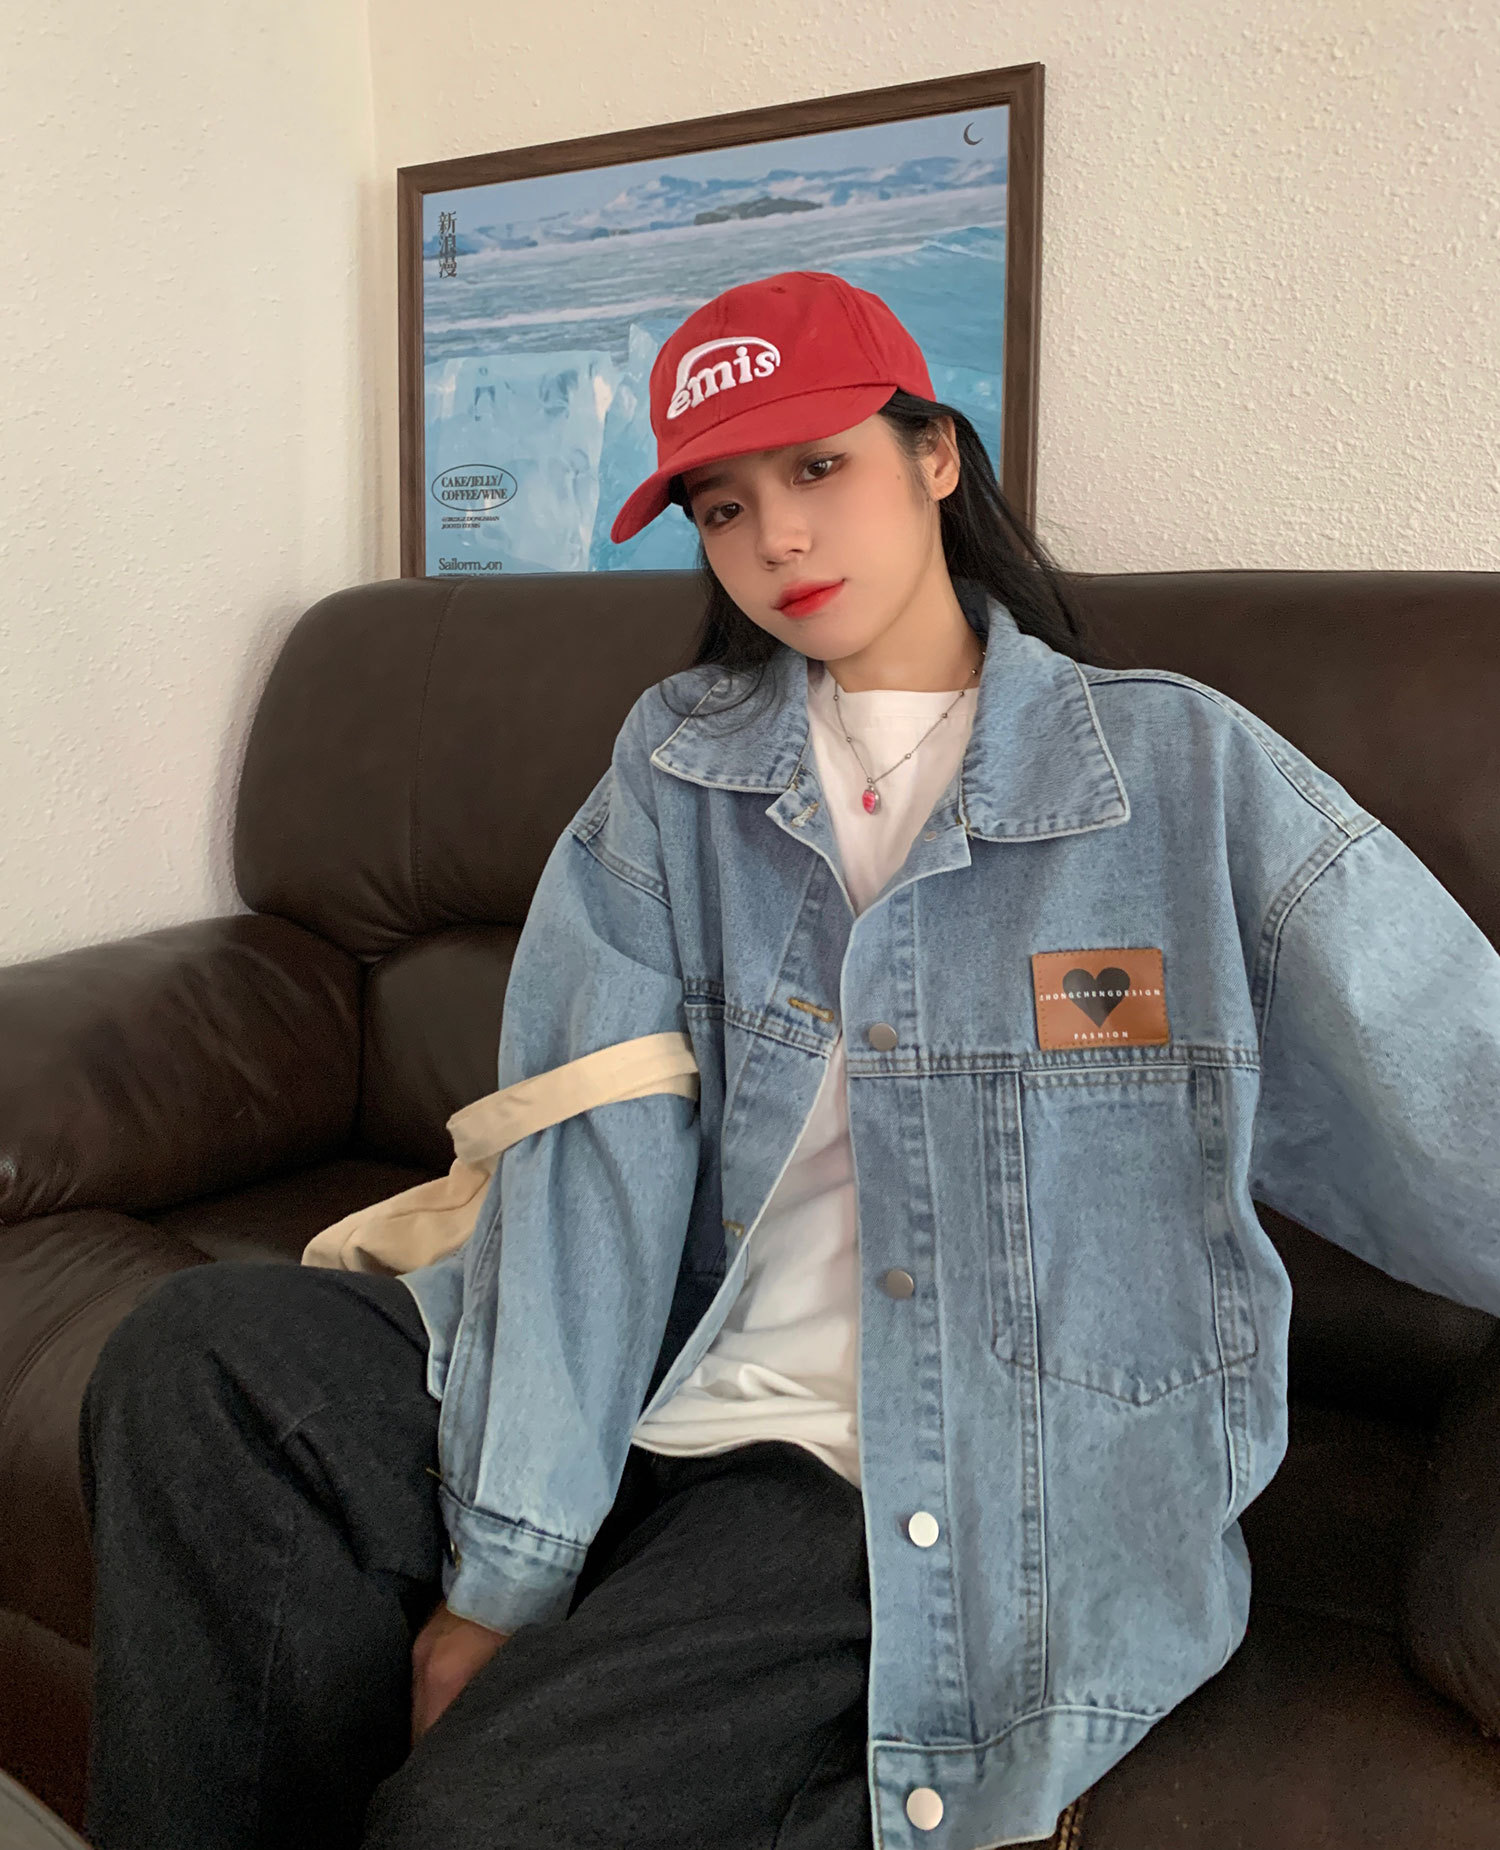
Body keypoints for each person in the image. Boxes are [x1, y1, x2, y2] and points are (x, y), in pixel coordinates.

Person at [77, 269, 1500, 1850]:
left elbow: (1454, 1075)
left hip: (892, 1459)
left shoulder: (1171, 771)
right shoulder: (677, 768)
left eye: (819, 467)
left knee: (475, 1821)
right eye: (724, 505)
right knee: (200, 1357)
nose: (779, 539)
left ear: (936, 455)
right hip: (666, 1368)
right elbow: (593, 1157)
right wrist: (509, 1565)